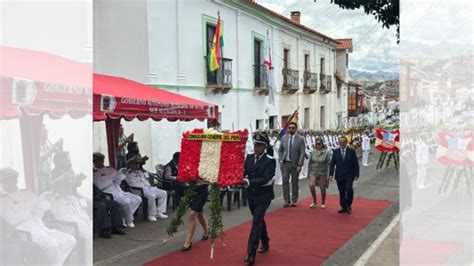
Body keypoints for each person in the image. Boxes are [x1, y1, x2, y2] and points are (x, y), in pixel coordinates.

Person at [0, 167, 76, 265]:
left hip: (42, 228)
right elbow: (12, 221)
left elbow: (46, 204)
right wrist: (30, 211)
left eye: (10, 180)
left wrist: (39, 208)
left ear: (15, 180)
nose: (7, 183)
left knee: (69, 240)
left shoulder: (27, 193)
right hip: (26, 233)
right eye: (4, 181)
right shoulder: (3, 201)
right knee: (52, 245)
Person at [242, 131, 276, 265]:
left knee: (256, 221)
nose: (256, 148)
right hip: (251, 195)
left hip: (264, 196)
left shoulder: (270, 161)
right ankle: (266, 241)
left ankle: (251, 253)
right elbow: (243, 171)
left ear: (265, 147)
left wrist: (248, 182)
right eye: (255, 145)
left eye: (260, 146)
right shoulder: (249, 158)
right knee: (258, 219)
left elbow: (266, 178)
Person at [93, 152, 142, 228]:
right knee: (127, 202)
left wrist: (118, 178)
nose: (98, 162)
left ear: (102, 160)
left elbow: (121, 176)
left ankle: (123, 217)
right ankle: (129, 220)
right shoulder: (94, 174)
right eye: (96, 161)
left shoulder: (110, 169)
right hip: (109, 193)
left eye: (99, 160)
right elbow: (100, 186)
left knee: (138, 199)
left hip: (118, 190)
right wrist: (111, 180)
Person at [126, 155, 168, 221]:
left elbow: (145, 181)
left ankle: (159, 211)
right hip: (138, 190)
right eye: (135, 163)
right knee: (151, 196)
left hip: (147, 188)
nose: (137, 165)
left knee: (163, 193)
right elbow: (132, 184)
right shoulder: (129, 174)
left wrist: (149, 186)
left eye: (137, 163)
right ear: (131, 165)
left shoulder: (140, 172)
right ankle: (151, 214)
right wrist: (145, 186)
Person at [329, 137, 359, 214]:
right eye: (340, 142)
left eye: (343, 142)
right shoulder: (335, 152)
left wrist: (356, 174)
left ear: (346, 143)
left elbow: (355, 164)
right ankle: (343, 206)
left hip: (349, 175)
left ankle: (348, 205)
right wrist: (331, 174)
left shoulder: (351, 151)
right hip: (339, 175)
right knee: (341, 191)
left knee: (349, 189)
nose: (341, 144)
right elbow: (332, 164)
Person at [278, 122, 305, 207]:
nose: (291, 129)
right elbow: (280, 150)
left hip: (295, 164)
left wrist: (300, 165)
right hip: (285, 163)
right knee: (285, 181)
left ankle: (294, 200)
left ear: (296, 129)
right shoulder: (284, 138)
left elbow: (302, 152)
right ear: (287, 129)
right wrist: (281, 160)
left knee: (294, 182)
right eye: (289, 128)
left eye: (293, 128)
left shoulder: (300, 139)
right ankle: (286, 200)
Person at [181, 181, 209, 252]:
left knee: (193, 213)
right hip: (191, 190)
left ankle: (188, 241)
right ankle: (206, 231)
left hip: (202, 191)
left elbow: (209, 181)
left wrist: (199, 179)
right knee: (199, 213)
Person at [38, 124, 63, 194]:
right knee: (42, 196)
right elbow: (40, 159)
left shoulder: (48, 142)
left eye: (47, 132)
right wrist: (52, 150)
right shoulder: (36, 144)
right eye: (44, 132)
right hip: (40, 175)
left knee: (50, 194)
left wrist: (60, 145)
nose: (46, 134)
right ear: (39, 133)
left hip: (48, 173)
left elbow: (58, 152)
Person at [307, 138, 331, 209]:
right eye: (316, 144)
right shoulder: (313, 152)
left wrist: (329, 174)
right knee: (311, 185)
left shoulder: (326, 153)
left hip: (323, 172)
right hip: (314, 172)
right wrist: (308, 173)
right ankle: (314, 201)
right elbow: (310, 163)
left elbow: (329, 164)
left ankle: (323, 202)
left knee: (322, 188)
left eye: (319, 144)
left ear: (322, 144)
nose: (318, 145)